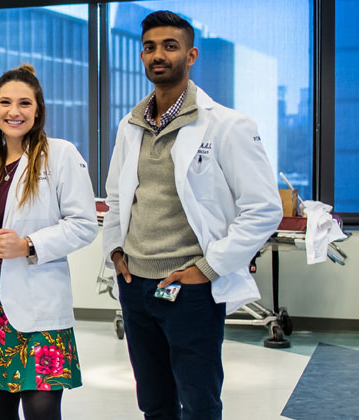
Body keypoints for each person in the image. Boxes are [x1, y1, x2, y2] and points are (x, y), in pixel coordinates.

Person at [102, 11, 284, 420]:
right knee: (153, 402)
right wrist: (115, 252)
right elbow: (116, 197)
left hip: (190, 289)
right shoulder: (129, 125)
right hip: (135, 285)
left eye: (170, 46)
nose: (158, 55)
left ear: (192, 54)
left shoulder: (227, 125)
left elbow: (264, 208)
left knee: (199, 403)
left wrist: (208, 268)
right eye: (149, 47)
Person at [0, 64, 98, 420]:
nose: (14, 112)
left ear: (38, 110)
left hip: (39, 310)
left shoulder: (61, 156)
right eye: (5, 103)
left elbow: (84, 224)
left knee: (43, 410)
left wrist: (29, 244)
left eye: (24, 104)